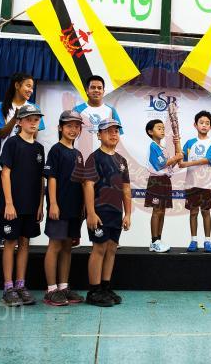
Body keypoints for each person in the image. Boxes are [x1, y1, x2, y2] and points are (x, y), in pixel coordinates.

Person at [77, 119, 132, 307]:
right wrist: (91, 213)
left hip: (116, 213)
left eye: (116, 131)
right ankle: (94, 291)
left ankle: (105, 287)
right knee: (99, 248)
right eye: (108, 131)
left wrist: (128, 214)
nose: (113, 134)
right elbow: (88, 185)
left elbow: (126, 189)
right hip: (100, 212)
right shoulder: (94, 158)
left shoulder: (121, 161)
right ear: (99, 135)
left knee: (111, 249)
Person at [0, 72, 45, 248]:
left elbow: (34, 135)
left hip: (26, 162)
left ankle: (21, 235)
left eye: (32, 87)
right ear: (17, 85)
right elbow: (0, 133)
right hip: (7, 162)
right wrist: (16, 117)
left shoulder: (33, 107)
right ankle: (5, 235)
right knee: (6, 201)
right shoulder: (2, 106)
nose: (30, 90)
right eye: (27, 85)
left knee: (25, 200)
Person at [0, 105, 45, 307]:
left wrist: (40, 205)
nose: (33, 123)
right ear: (19, 122)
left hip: (31, 205)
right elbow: (5, 173)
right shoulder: (12, 143)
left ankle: (20, 285)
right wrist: (9, 203)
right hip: (13, 205)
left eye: (36, 119)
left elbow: (41, 179)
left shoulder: (39, 148)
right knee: (10, 242)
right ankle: (8, 287)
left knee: (25, 243)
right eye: (29, 119)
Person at [42, 110, 86, 306]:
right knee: (55, 246)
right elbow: (51, 178)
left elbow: (81, 183)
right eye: (69, 126)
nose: (73, 129)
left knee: (67, 247)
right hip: (59, 208)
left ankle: (63, 287)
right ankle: (51, 290)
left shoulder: (78, 154)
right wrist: (53, 203)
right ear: (60, 127)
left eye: (76, 126)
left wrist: (83, 207)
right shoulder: (56, 150)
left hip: (74, 209)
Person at [180, 111, 211, 253]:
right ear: (195, 125)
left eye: (207, 123)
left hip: (206, 183)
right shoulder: (189, 142)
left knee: (206, 212)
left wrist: (188, 163)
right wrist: (177, 148)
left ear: (210, 127)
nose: (204, 125)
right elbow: (181, 157)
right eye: (201, 123)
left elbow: (208, 159)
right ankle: (193, 240)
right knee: (193, 212)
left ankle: (207, 240)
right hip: (191, 183)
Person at [145, 119, 183, 253]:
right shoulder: (153, 146)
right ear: (150, 131)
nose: (162, 130)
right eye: (158, 128)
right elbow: (160, 164)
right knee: (156, 211)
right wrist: (176, 157)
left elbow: (169, 165)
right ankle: (154, 241)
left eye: (163, 128)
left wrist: (177, 155)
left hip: (165, 180)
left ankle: (159, 240)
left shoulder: (163, 148)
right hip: (156, 181)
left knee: (162, 211)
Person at [73, 76, 123, 159]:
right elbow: (70, 135)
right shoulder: (77, 110)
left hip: (106, 159)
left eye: (99, 88)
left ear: (103, 91)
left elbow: (117, 136)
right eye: (93, 87)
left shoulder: (111, 111)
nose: (96, 90)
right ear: (87, 91)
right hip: (82, 158)